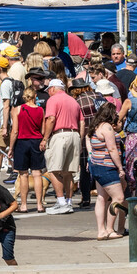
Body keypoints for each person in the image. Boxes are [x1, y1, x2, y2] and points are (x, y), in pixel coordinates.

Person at [41, 78, 83, 214]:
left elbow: (51, 119)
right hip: (74, 134)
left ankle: (61, 202)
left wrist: (45, 138)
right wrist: (80, 139)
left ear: (53, 88)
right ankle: (68, 202)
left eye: (48, 90)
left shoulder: (53, 99)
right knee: (68, 172)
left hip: (60, 135)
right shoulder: (73, 101)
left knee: (53, 170)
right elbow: (81, 122)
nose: (48, 93)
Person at [86, 102, 126, 240]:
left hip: (96, 165)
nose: (116, 115)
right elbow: (112, 149)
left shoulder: (95, 126)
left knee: (101, 198)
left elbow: (88, 141)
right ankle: (109, 229)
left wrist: (90, 157)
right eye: (115, 112)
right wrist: (120, 168)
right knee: (118, 198)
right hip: (106, 166)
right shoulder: (107, 127)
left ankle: (101, 231)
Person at [8, 88, 47, 213]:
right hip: (36, 141)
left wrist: (11, 147)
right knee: (37, 174)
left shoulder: (18, 109)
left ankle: (24, 205)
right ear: (35, 96)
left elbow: (14, 131)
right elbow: (43, 130)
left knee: (23, 174)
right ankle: (39, 204)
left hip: (22, 142)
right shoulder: (40, 110)